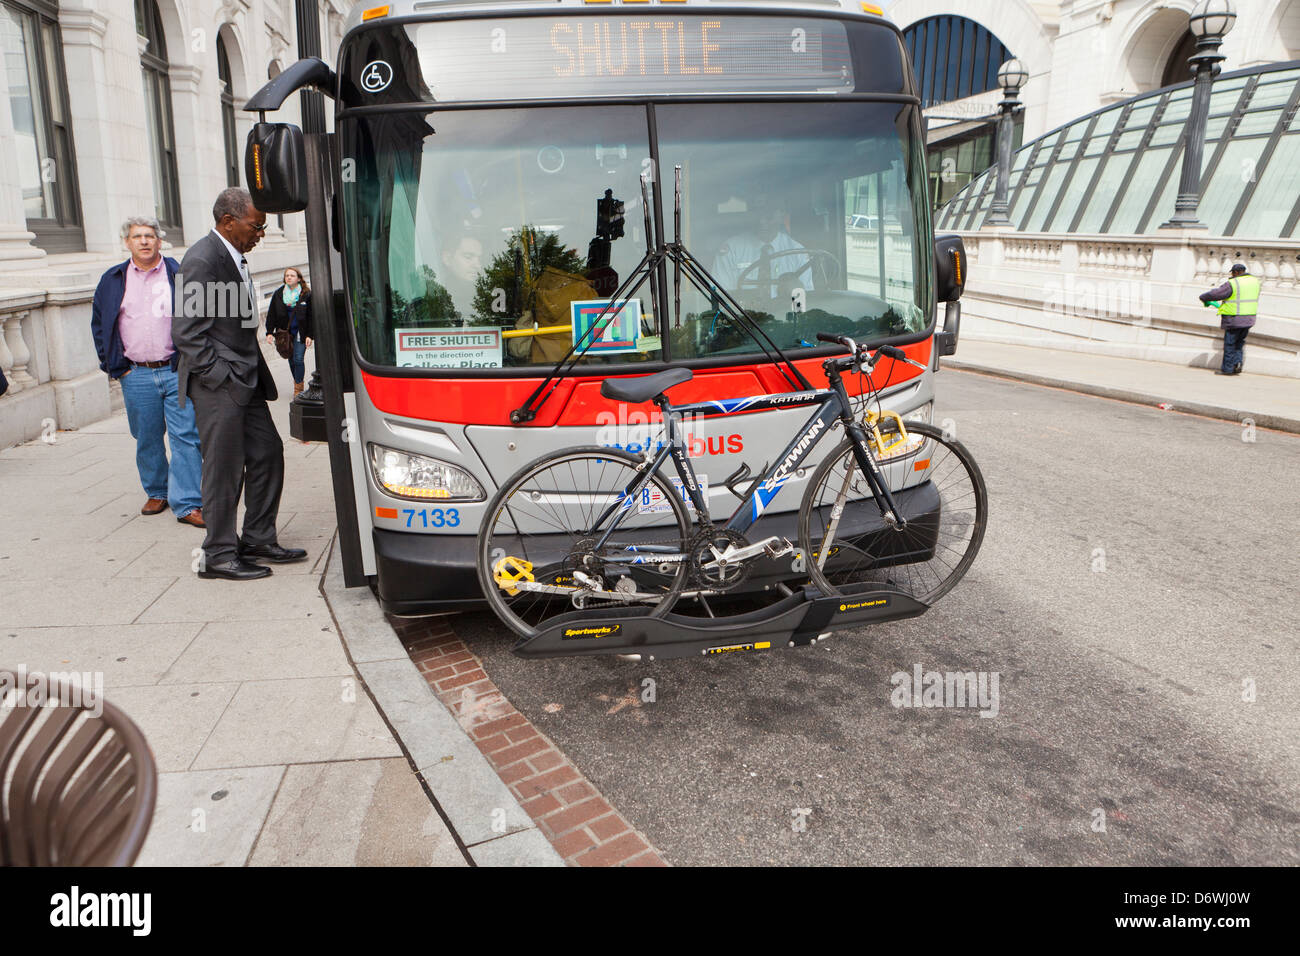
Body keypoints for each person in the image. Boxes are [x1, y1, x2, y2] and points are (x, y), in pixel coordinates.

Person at [172, 187, 306, 580]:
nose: (260, 233)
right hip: (219, 386)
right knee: (223, 470)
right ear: (229, 222)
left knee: (267, 453)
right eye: (256, 226)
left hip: (244, 380)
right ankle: (218, 554)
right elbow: (187, 332)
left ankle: (258, 538)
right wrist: (221, 376)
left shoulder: (235, 256)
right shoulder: (201, 258)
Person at [90, 217, 204, 527]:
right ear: (127, 242)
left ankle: (189, 502)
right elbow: (100, 325)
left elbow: (199, 318)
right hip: (135, 373)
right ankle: (157, 491)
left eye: (150, 236)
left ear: (159, 241)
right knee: (147, 438)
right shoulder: (112, 280)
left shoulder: (177, 274)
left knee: (186, 437)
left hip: (175, 369)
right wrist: (115, 367)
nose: (144, 241)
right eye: (137, 236)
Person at [711, 198, 814, 297]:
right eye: (758, 215)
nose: (762, 221)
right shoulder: (732, 250)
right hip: (740, 314)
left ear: (782, 216)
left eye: (769, 216)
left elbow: (806, 298)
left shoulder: (798, 252)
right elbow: (720, 296)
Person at [1199, 262, 1260, 376]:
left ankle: (1227, 369)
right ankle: (1237, 364)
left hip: (1234, 318)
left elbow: (1217, 293)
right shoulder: (1254, 282)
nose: (1231, 274)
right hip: (1249, 319)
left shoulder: (1234, 283)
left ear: (1236, 272)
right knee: (1239, 343)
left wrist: (1203, 297)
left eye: (1232, 272)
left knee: (1230, 344)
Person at [265, 267, 313, 395]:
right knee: (291, 359)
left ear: (298, 278)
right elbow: (272, 314)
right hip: (285, 332)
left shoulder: (306, 294)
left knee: (298, 359)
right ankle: (297, 382)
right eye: (287, 275)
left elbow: (311, 316)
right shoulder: (278, 294)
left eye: (292, 275)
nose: (289, 277)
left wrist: (310, 335)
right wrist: (269, 332)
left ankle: (298, 389)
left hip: (300, 332)